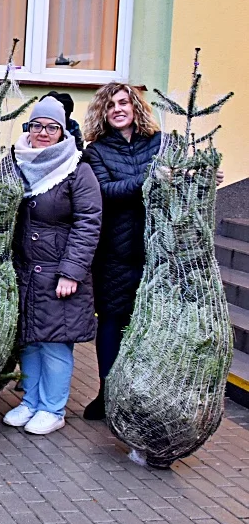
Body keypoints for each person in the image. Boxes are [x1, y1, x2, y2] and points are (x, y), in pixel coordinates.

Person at [4, 96, 102, 435]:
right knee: (29, 340)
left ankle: (53, 408)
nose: (43, 132)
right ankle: (30, 400)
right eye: (37, 125)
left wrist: (71, 272)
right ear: (28, 128)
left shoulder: (77, 169)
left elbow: (88, 222)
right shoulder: (16, 163)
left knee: (56, 343)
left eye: (51, 127)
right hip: (25, 272)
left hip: (60, 274)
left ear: (62, 131)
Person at [80, 83, 162, 420]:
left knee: (146, 323)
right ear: (103, 111)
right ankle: (107, 392)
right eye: (110, 104)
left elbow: (176, 178)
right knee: (111, 321)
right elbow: (106, 191)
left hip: (154, 249)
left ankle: (141, 392)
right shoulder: (96, 151)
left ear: (135, 107)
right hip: (113, 252)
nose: (117, 109)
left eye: (124, 102)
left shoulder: (157, 143)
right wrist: (149, 178)